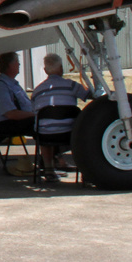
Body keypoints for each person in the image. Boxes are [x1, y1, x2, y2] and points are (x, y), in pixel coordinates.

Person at [31, 53, 92, 183]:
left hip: (46, 135)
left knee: (44, 127)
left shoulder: (37, 91)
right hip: (69, 134)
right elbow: (87, 95)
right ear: (61, 68)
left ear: (45, 70)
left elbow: (35, 111)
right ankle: (85, 170)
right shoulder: (71, 85)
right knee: (82, 128)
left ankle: (49, 169)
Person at [0, 52, 35, 176]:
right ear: (9, 65)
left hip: (19, 120)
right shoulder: (0, 86)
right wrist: (34, 115)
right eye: (16, 62)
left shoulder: (12, 83)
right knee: (45, 125)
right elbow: (10, 114)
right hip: (9, 124)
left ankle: (51, 159)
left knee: (48, 123)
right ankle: (51, 159)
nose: (19, 64)